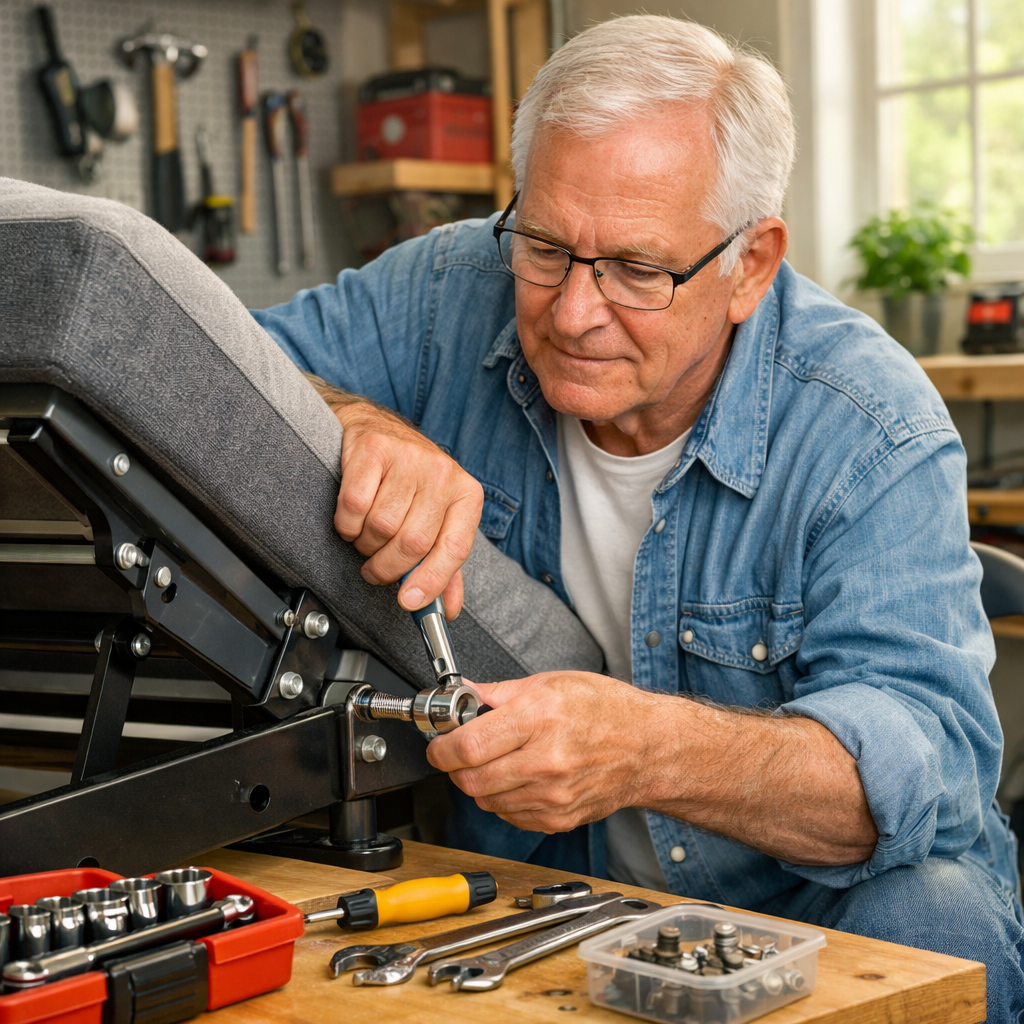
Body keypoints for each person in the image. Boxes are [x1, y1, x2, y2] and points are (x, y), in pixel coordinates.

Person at [252, 15, 1024, 1016]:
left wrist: (647, 751)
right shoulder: (444, 290)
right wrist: (352, 417)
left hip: (793, 900)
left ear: (750, 263)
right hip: (526, 887)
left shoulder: (870, 429)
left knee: (938, 917)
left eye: (636, 269)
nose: (573, 311)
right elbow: (219, 372)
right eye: (544, 246)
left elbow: (932, 771)